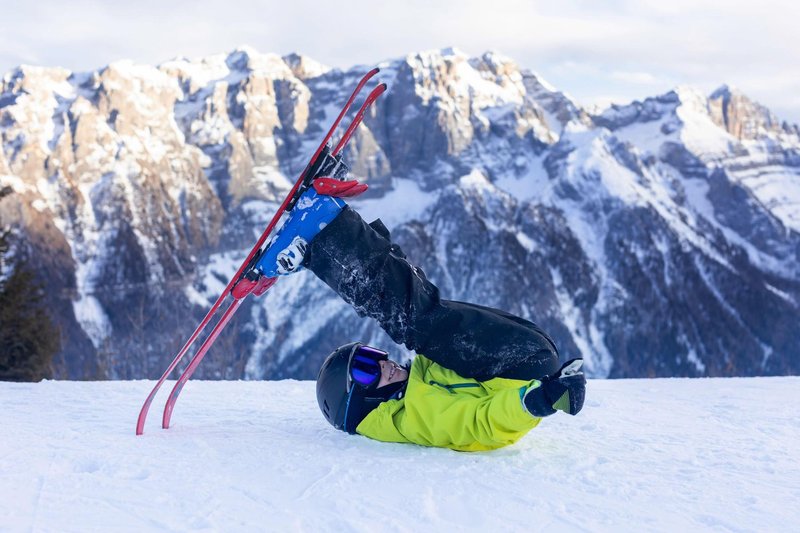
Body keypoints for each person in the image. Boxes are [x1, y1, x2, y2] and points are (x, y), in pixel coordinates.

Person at [251, 182, 586, 452]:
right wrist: (539, 401)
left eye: (371, 355)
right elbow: (482, 424)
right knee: (419, 322)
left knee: (423, 307)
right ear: (358, 400)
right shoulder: (414, 416)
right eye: (366, 370)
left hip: (524, 358)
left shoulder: (415, 386)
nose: (381, 362)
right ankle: (324, 233)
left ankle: (331, 232)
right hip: (521, 372)